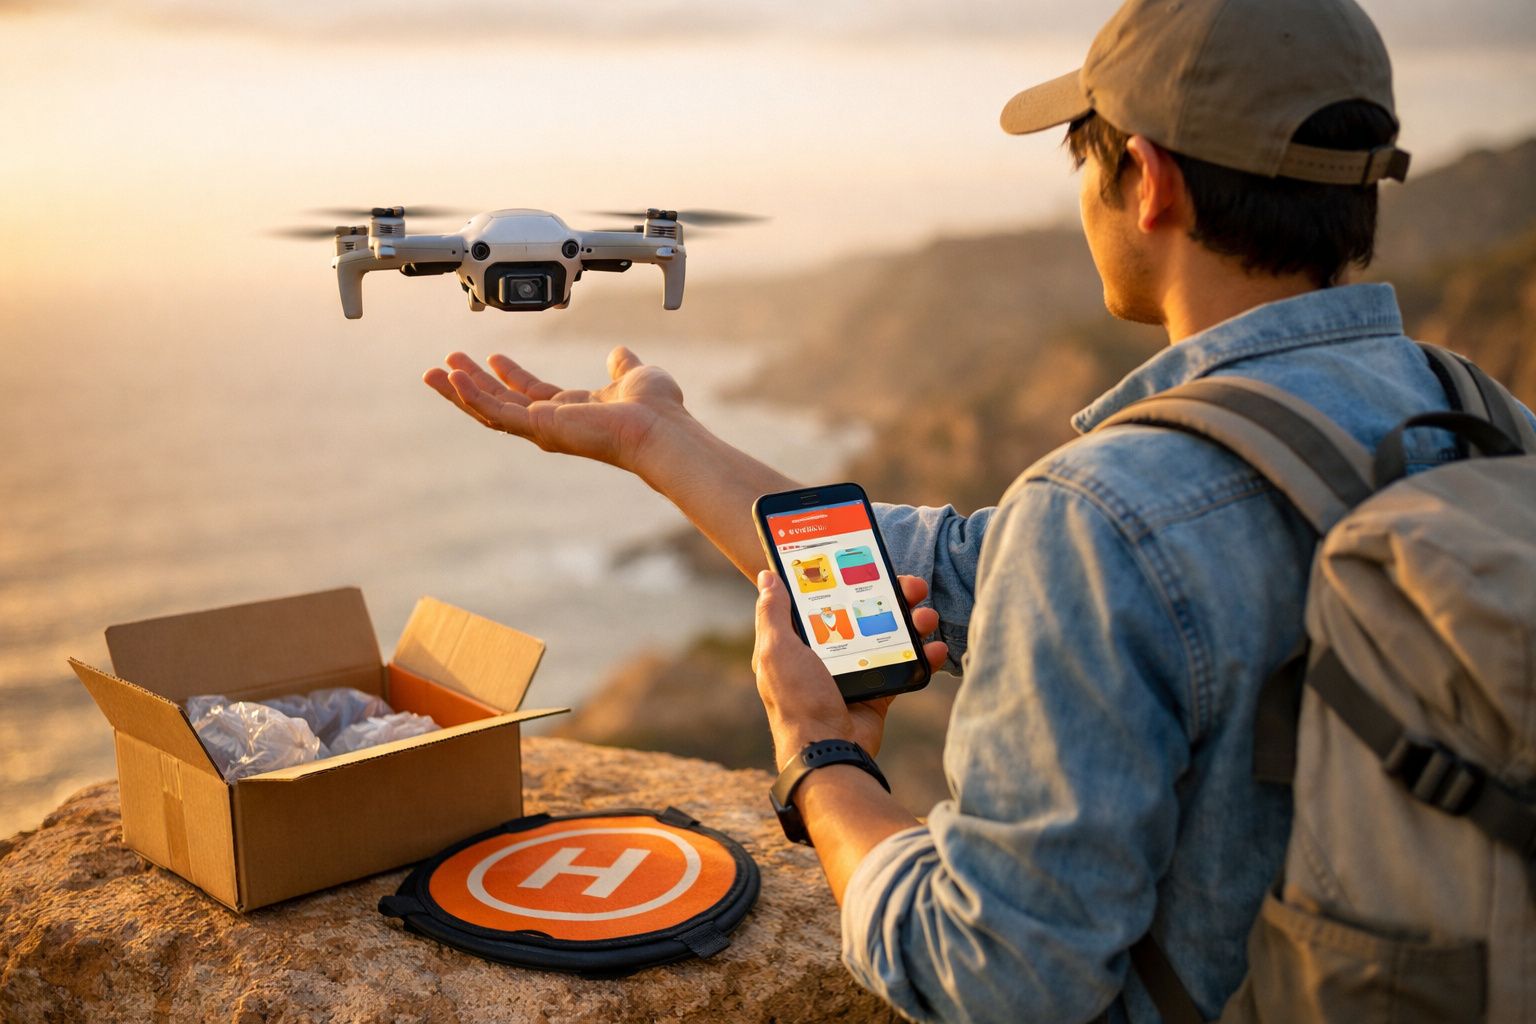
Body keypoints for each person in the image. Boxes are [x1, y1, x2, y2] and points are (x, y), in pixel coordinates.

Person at [423, 1, 1527, 1019]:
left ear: (1147, 181)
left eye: (1084, 156)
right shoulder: (1485, 417)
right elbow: (960, 568)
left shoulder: (1108, 510)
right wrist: (661, 441)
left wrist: (822, 765)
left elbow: (996, 977)